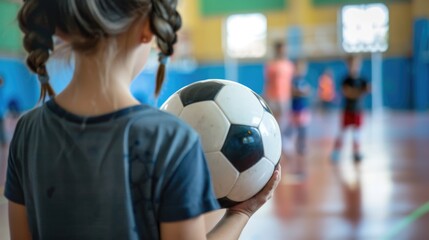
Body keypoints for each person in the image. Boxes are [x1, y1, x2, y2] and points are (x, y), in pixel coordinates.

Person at [4, 1, 281, 240]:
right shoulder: (169, 139)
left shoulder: (28, 130)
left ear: (61, 28)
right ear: (148, 28)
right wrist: (241, 212)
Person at [331, 55, 370, 164]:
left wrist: (356, 92)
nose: (354, 66)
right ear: (347, 65)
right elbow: (347, 92)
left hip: (358, 111)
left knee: (357, 133)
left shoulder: (362, 79)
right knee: (342, 133)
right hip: (348, 110)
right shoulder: (346, 80)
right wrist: (358, 92)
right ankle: (336, 153)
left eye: (356, 64)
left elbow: (368, 89)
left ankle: (356, 153)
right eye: (351, 64)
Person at [284, 59, 311, 177]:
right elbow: (293, 92)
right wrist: (299, 92)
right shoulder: (293, 81)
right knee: (291, 128)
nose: (302, 71)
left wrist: (303, 92)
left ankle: (301, 146)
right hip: (295, 110)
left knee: (303, 130)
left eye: (303, 68)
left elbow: (307, 91)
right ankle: (285, 141)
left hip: (302, 109)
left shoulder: (303, 81)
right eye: (299, 68)